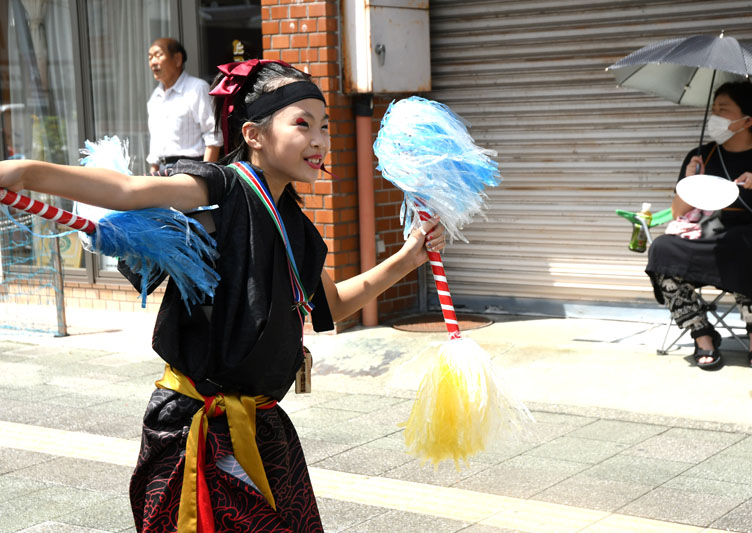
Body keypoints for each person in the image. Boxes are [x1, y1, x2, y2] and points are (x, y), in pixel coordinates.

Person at [0, 60, 445, 532]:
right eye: (302, 124)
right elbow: (130, 191)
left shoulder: (297, 226)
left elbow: (330, 305)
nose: (319, 140)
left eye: (324, 127)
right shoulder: (221, 188)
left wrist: (409, 257)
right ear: (254, 135)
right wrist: (27, 171)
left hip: (263, 426)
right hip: (196, 428)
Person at [646, 81, 752, 371]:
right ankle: (702, 334)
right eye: (713, 108)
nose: (714, 116)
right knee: (662, 249)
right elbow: (677, 212)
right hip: (707, 232)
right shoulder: (702, 155)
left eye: (723, 109)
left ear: (748, 120)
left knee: (743, 241)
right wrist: (689, 181)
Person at [146, 38, 222, 173]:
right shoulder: (155, 97)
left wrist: (205, 174)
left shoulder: (197, 88)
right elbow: (155, 145)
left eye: (158, 55)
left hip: (191, 168)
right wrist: (152, 174)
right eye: (150, 57)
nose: (153, 62)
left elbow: (213, 136)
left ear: (177, 59)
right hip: (162, 171)